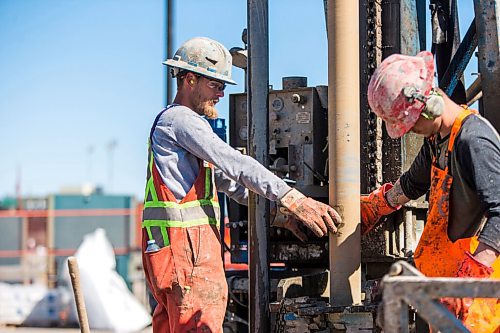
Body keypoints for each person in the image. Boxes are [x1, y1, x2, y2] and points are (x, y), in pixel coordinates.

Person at [141, 36, 342, 333]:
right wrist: (295, 199)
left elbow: (225, 181)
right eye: (216, 85)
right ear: (190, 80)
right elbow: (235, 163)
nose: (221, 94)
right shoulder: (182, 120)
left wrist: (276, 216)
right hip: (188, 255)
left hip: (171, 253)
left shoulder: (176, 128)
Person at [361, 51, 500, 332]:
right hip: (449, 293)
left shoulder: (473, 141)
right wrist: (378, 205)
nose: (411, 131)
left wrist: (469, 282)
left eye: (411, 124)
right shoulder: (438, 139)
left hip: (477, 300)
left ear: (430, 107)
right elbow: (413, 183)